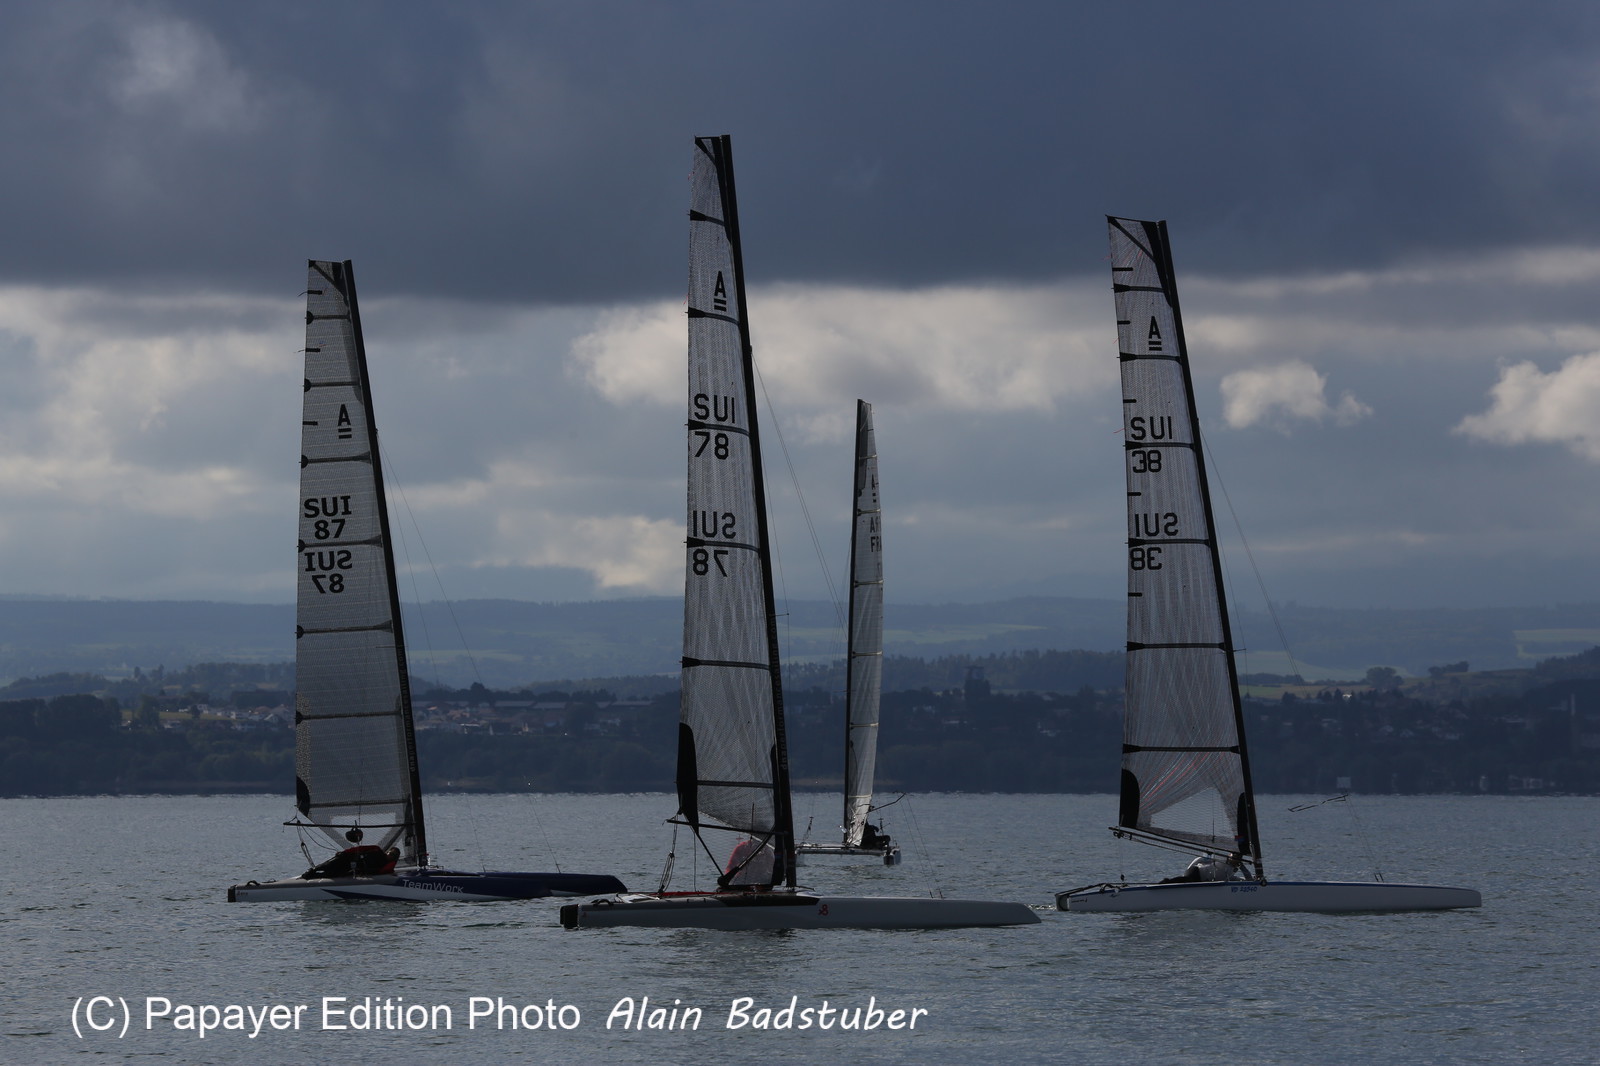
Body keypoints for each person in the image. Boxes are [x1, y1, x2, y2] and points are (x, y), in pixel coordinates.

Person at [302, 828, 396, 879]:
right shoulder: (377, 849)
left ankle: (311, 877)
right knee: (328, 865)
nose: (391, 856)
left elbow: (386, 870)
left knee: (331, 875)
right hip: (347, 857)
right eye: (391, 853)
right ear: (387, 852)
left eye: (394, 856)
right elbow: (360, 848)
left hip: (352, 868)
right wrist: (344, 852)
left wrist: (393, 862)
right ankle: (311, 870)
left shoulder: (386, 865)